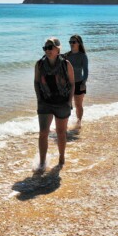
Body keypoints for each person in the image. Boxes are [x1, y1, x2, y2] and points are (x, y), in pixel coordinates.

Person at [34, 37, 75, 171]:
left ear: (58, 49)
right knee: (43, 133)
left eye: (50, 47)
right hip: (45, 102)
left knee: (61, 132)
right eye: (45, 48)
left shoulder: (66, 64)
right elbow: (36, 82)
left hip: (62, 102)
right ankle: (42, 163)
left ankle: (61, 158)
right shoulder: (39, 64)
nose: (47, 50)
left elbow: (72, 83)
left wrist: (69, 101)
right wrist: (39, 98)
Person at [64, 34, 89, 128]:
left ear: (79, 43)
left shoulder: (83, 56)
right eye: (70, 42)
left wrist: (84, 82)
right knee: (66, 105)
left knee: (78, 105)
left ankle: (79, 122)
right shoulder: (66, 55)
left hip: (79, 83)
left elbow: (86, 71)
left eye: (73, 42)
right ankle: (64, 124)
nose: (71, 44)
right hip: (68, 84)